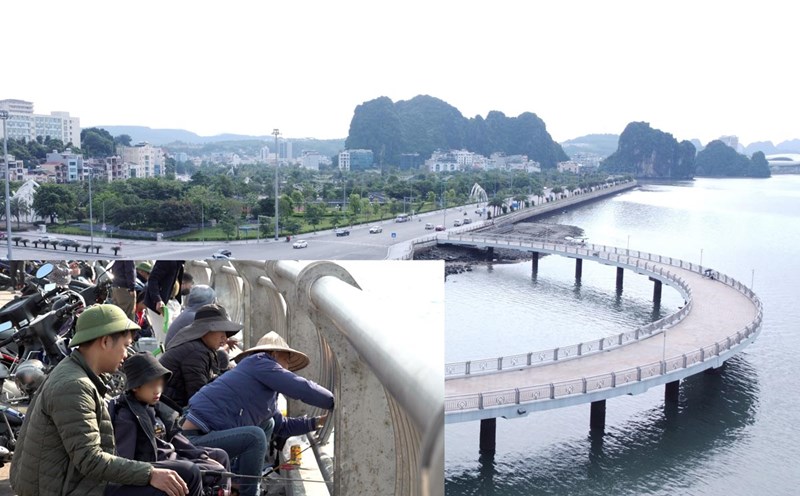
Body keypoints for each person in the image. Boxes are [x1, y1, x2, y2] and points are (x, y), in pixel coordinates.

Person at [10, 304, 197, 496]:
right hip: (66, 488)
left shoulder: (75, 371)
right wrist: (149, 473)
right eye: (125, 346)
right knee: (183, 478)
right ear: (106, 341)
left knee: (186, 471)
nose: (126, 355)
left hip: (71, 479)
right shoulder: (74, 385)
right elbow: (90, 461)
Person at [181, 332, 335, 496]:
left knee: (268, 424)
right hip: (191, 441)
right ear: (274, 355)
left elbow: (281, 426)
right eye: (287, 360)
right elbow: (301, 388)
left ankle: (239, 482)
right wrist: (333, 401)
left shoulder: (260, 386)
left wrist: (316, 422)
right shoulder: (260, 362)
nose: (288, 368)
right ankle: (249, 491)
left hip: (206, 437)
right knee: (255, 436)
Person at [109, 352, 230, 494]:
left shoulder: (157, 408)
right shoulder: (127, 416)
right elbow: (125, 460)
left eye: (160, 385)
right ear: (135, 386)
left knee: (220, 456)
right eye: (152, 385)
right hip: (158, 466)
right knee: (204, 470)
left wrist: (202, 456)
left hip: (175, 457)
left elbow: (178, 440)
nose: (158, 391)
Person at [159, 304, 241, 409]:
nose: (224, 338)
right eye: (220, 330)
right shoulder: (195, 352)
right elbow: (199, 396)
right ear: (205, 330)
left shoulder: (196, 345)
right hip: (173, 409)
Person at [143, 261, 185, 343]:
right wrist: (158, 299)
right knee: (164, 339)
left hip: (173, 302)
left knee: (174, 336)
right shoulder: (167, 260)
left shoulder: (180, 262)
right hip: (161, 305)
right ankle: (161, 356)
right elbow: (152, 279)